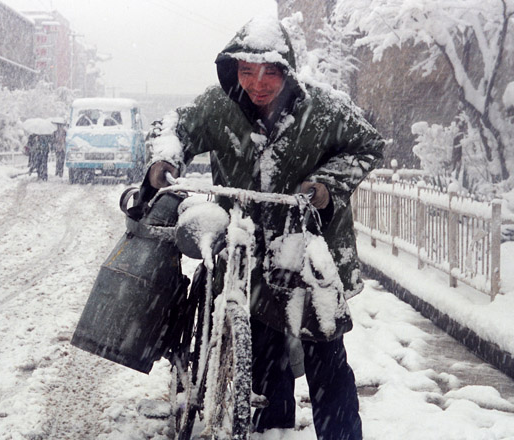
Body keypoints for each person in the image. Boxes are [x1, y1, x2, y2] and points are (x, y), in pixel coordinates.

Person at [142, 16, 385, 439]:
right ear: (231, 69)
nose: (259, 83)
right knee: (263, 362)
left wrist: (326, 187)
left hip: (307, 252)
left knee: (325, 357)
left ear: (287, 69)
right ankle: (272, 431)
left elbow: (368, 144)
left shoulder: (323, 109)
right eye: (248, 71)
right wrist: (166, 161)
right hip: (247, 251)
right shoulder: (217, 108)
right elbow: (172, 128)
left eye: (271, 71)